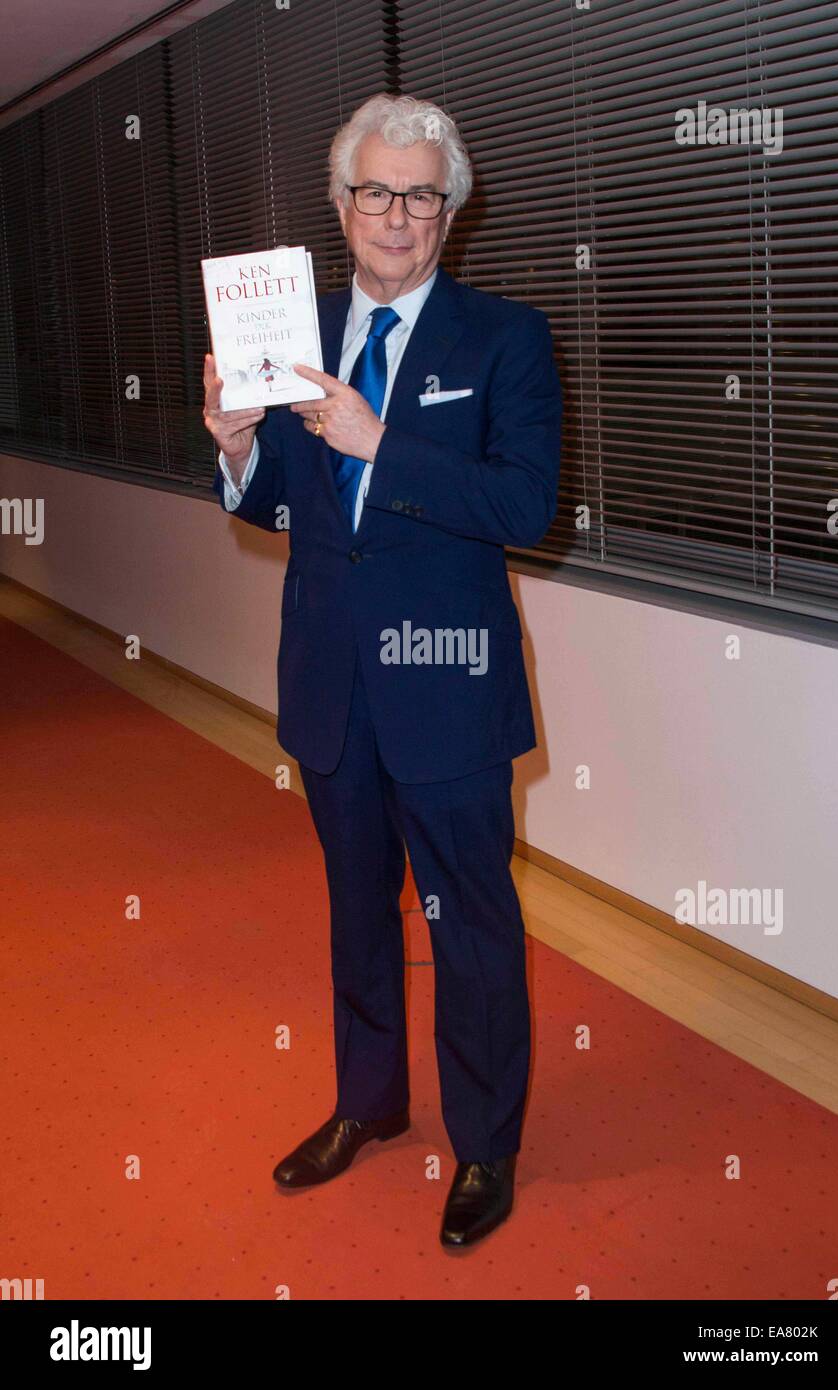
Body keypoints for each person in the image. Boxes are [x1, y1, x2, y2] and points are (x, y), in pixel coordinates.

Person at [203, 92, 562, 1248]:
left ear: (449, 211)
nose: (396, 216)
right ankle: (369, 1104)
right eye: (375, 191)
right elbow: (283, 509)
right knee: (355, 915)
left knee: (470, 927)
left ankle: (487, 1144)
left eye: (420, 194)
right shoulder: (291, 331)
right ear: (340, 203)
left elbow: (523, 505)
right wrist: (242, 445)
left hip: (448, 688)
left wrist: (383, 446)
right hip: (330, 684)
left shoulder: (502, 338)